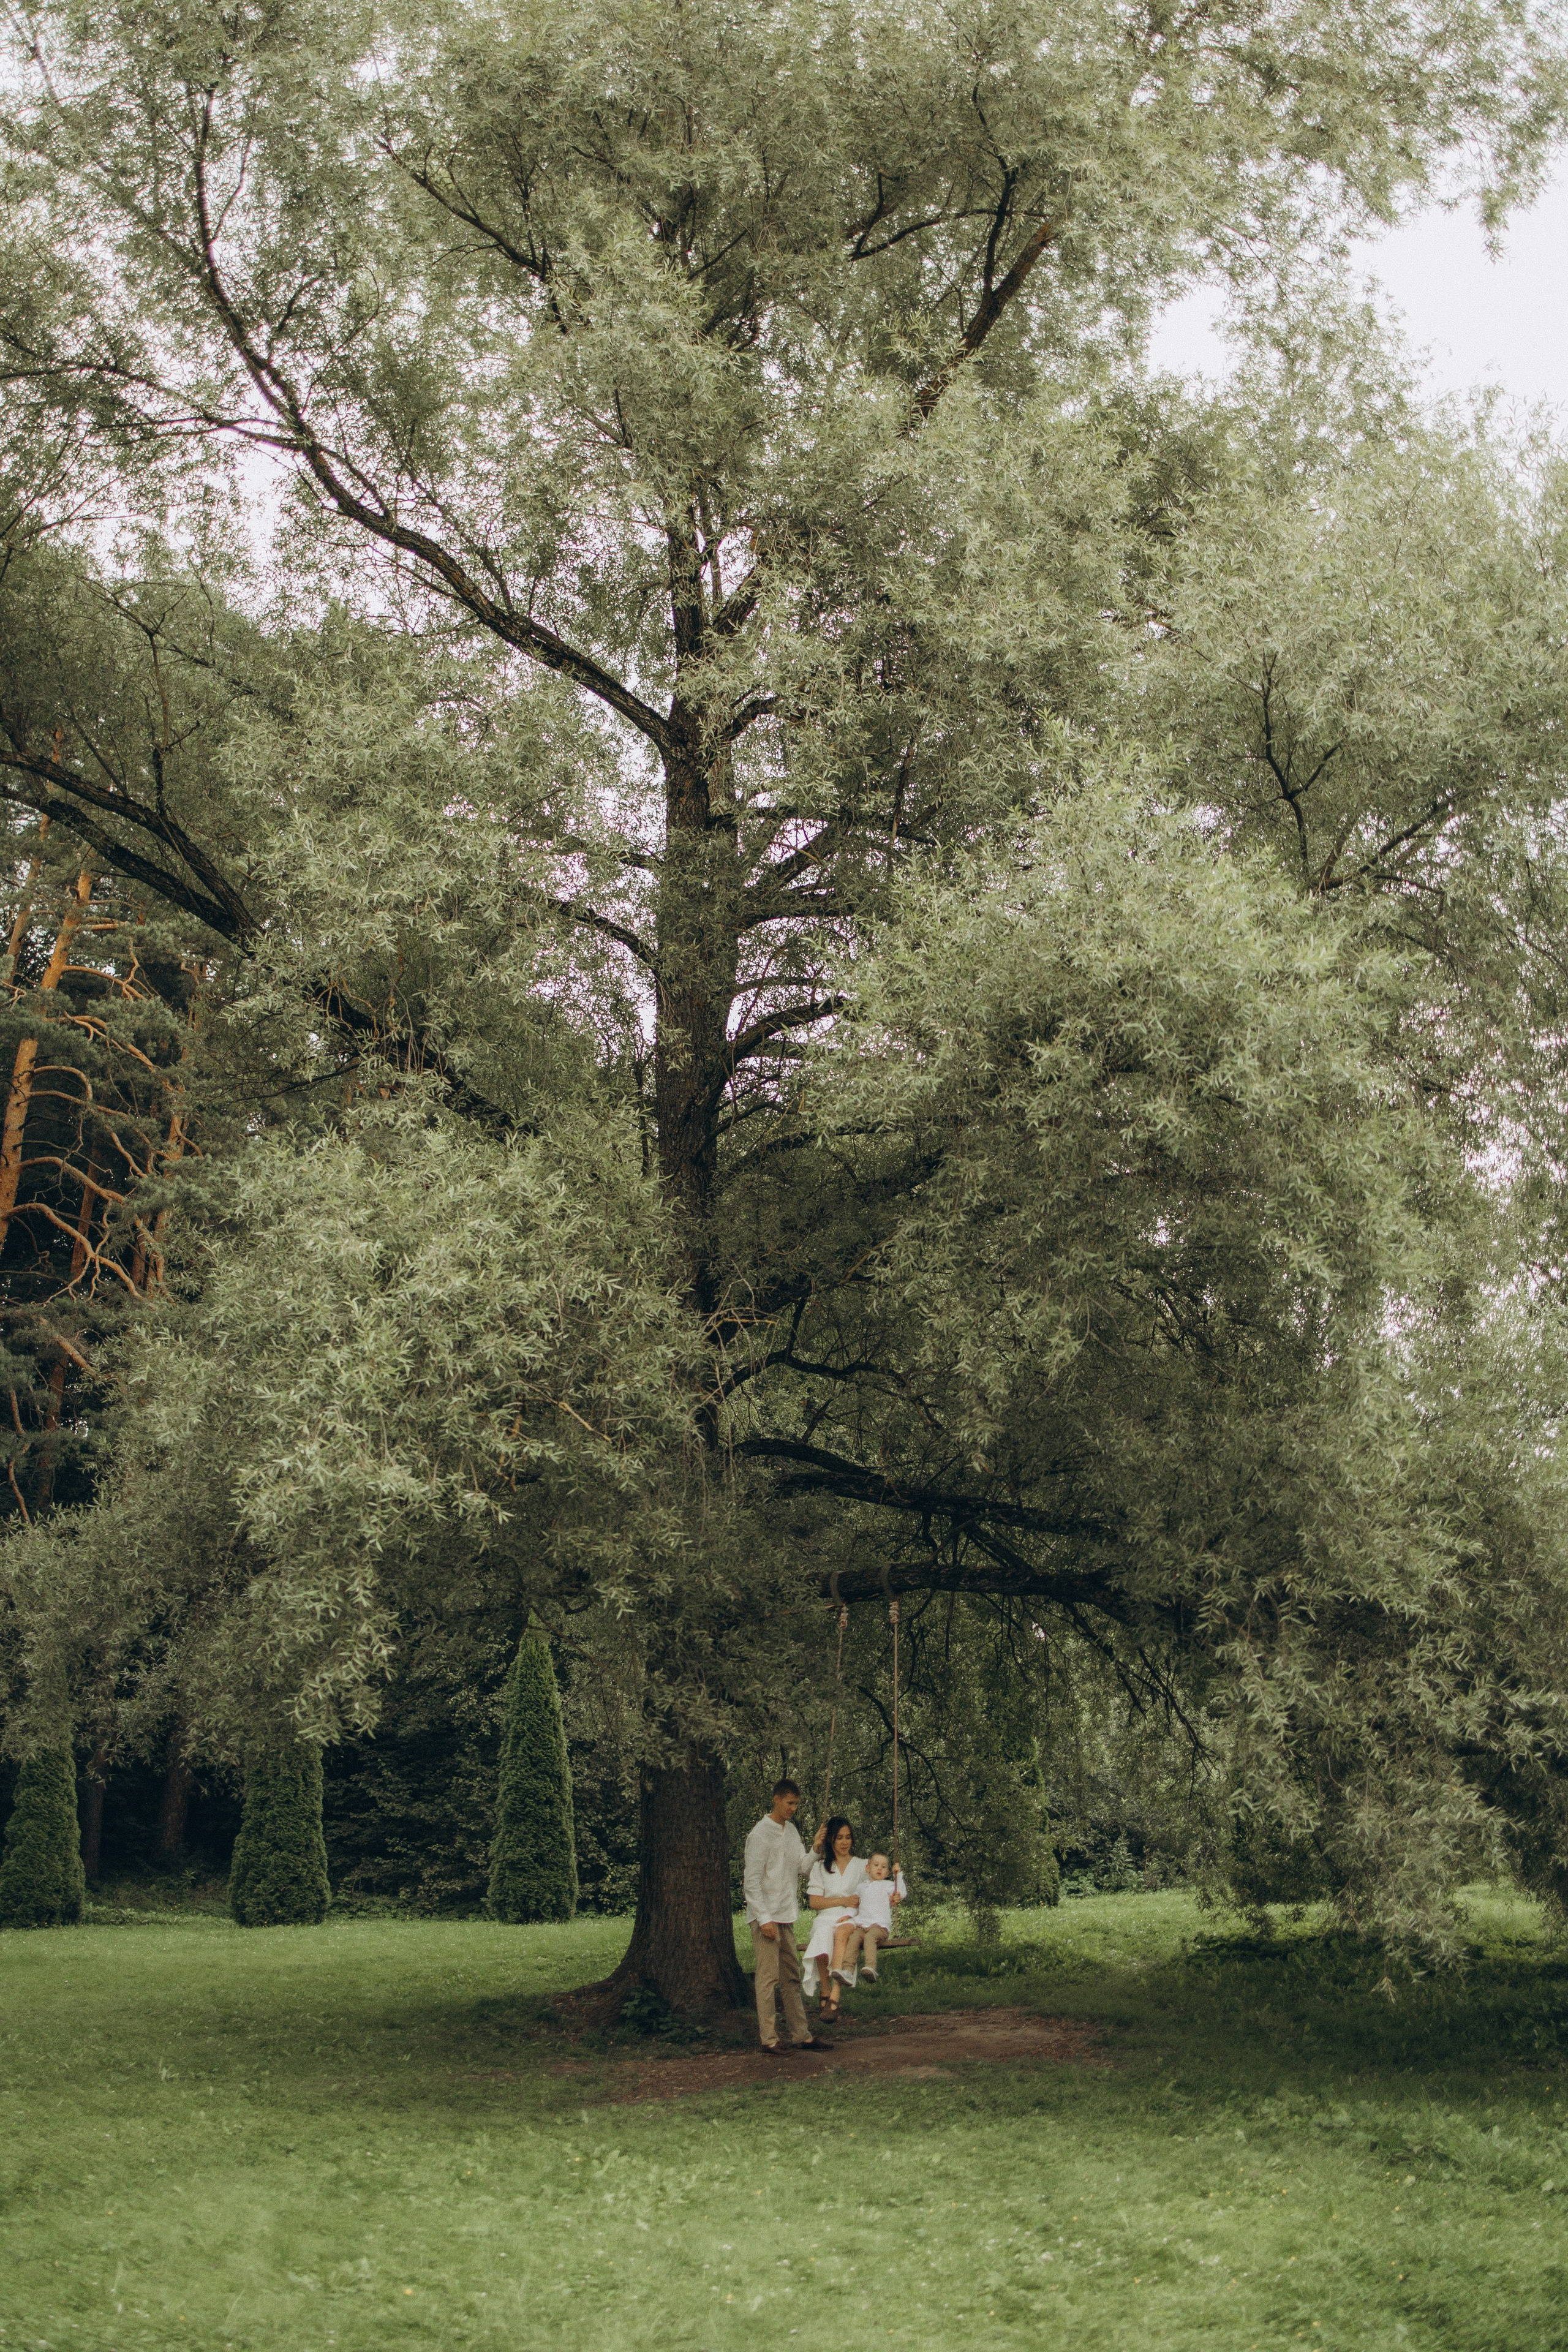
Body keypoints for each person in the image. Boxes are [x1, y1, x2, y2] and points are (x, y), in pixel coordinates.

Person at [742, 1779, 833, 2054]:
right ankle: (768, 2039)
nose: (793, 1808)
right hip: (765, 1917)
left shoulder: (791, 1832)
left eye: (796, 1803)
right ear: (776, 1800)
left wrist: (816, 1850)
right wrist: (764, 1918)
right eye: (789, 1803)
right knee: (768, 1979)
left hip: (786, 1915)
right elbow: (752, 1883)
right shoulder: (759, 1835)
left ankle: (801, 2035)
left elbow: (802, 1868)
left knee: (791, 1976)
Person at [799, 1815, 867, 2019]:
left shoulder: (862, 1866)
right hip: (826, 1915)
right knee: (821, 1931)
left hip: (850, 1917)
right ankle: (825, 1989)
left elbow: (877, 1887)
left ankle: (835, 1994)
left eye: (848, 1838)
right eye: (839, 1838)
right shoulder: (821, 1867)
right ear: (831, 1840)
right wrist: (843, 1900)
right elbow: (815, 1902)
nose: (845, 1842)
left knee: (841, 1932)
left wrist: (894, 1889)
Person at [832, 1851, 907, 1986]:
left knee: (870, 1938)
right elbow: (855, 1906)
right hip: (862, 1925)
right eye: (876, 1865)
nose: (880, 1868)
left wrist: (898, 1875)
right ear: (868, 1868)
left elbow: (901, 1893)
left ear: (887, 1873)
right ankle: (848, 1971)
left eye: (884, 1867)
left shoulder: (888, 1885)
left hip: (880, 1928)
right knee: (854, 1938)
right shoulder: (861, 1887)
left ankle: (870, 1967)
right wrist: (848, 1915)